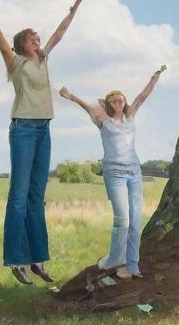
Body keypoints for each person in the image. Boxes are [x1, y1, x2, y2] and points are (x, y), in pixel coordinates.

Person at [0, 0, 85, 285]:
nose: (38, 39)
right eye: (32, 37)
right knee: (19, 197)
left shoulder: (43, 59)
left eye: (38, 37)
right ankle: (16, 260)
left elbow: (59, 34)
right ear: (22, 45)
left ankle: (37, 259)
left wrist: (76, 6)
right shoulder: (16, 63)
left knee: (37, 197)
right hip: (23, 129)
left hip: (44, 129)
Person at [59, 65, 165, 284]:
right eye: (114, 101)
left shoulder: (130, 116)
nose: (119, 103)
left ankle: (131, 266)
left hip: (134, 172)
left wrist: (155, 76)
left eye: (121, 100)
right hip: (114, 173)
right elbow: (86, 107)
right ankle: (114, 260)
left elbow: (143, 96)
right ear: (108, 104)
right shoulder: (103, 122)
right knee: (122, 220)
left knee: (135, 220)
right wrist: (70, 96)